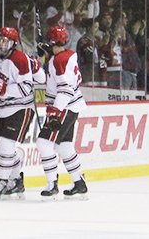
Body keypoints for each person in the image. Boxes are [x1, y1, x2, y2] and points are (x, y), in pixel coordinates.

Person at [0, 26, 42, 198]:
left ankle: (3, 180)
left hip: (19, 108)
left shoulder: (20, 59)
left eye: (4, 41)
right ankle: (12, 180)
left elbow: (26, 88)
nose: (0, 44)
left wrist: (1, 87)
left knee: (6, 145)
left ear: (13, 44)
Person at [38, 25, 89, 199]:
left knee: (44, 143)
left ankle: (52, 184)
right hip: (72, 106)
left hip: (65, 107)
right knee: (63, 145)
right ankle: (79, 182)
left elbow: (65, 89)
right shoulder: (64, 56)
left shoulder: (59, 60)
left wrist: (55, 111)